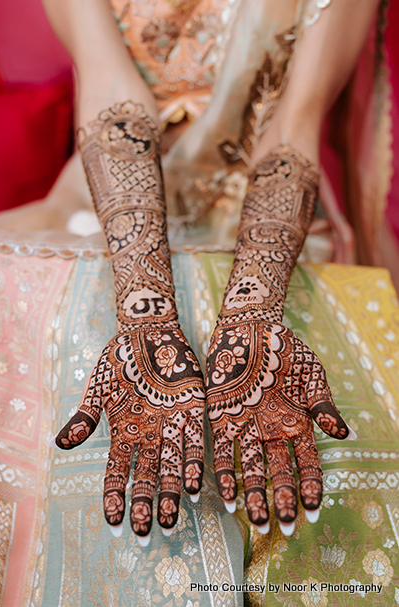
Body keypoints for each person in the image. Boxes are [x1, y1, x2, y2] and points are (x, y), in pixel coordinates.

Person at [32, 0, 379, 547]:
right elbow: (113, 100)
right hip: (108, 206)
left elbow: (292, 128)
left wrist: (253, 312)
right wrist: (147, 318)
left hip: (267, 219)